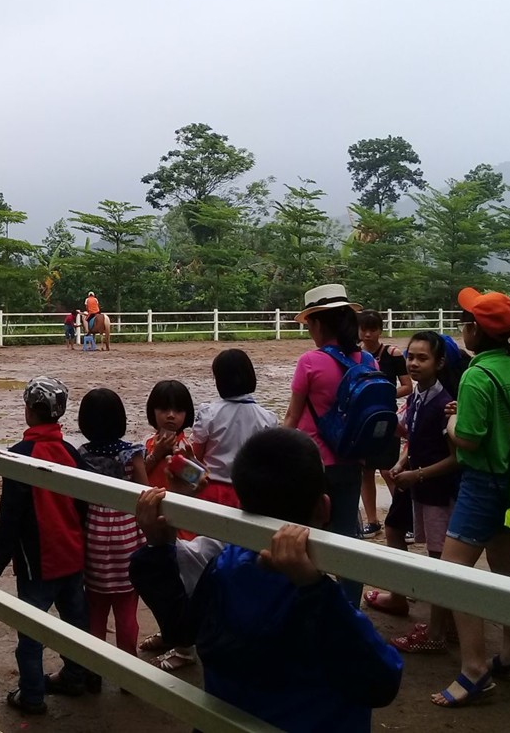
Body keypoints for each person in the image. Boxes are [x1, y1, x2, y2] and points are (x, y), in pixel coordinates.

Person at [130, 427, 403, 732]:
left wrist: (158, 548)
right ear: (324, 508)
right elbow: (383, 681)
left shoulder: (222, 570)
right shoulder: (321, 601)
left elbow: (181, 630)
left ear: (241, 507)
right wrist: (315, 589)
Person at [430, 287, 510, 708]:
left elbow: (469, 440)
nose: (462, 328)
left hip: (481, 484)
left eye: (466, 322)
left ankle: (474, 669)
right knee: (507, 570)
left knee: (454, 572)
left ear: (474, 330)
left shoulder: (476, 375)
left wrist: (452, 422)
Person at [0, 377, 89, 715]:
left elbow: (10, 512)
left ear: (29, 410)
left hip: (37, 560)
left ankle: (31, 695)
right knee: (75, 622)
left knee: (30, 631)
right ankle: (76, 675)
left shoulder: (19, 455)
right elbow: (85, 504)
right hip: (72, 554)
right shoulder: (71, 452)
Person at [364, 331, 460, 651]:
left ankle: (437, 633)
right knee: (406, 535)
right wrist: (401, 462)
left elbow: (455, 459)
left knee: (438, 557)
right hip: (419, 483)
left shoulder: (445, 405)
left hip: (437, 491)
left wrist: (416, 474)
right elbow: (415, 439)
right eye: (411, 357)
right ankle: (430, 616)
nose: (414, 364)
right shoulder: (418, 396)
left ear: (440, 363)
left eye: (423, 358)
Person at [281, 283, 374, 609]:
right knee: (348, 536)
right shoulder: (367, 360)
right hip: (352, 461)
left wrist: (276, 455)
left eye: (309, 324)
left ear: (319, 323)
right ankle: (349, 608)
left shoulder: (310, 361)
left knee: (305, 534)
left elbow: (292, 417)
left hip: (312, 464)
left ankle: (311, 603)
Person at [76, 388, 148, 686]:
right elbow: (146, 493)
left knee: (95, 609)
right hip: (127, 537)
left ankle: (93, 671)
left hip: (94, 536)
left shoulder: (81, 456)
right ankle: (128, 674)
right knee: (127, 609)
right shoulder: (132, 454)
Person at [139, 379, 199, 670]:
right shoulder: (149, 444)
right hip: (156, 524)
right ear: (153, 412)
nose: (171, 416)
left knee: (178, 587)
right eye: (164, 409)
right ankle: (170, 633)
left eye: (178, 410)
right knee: (161, 586)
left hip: (181, 528)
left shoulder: (186, 446)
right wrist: (156, 455)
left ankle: (185, 648)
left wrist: (184, 462)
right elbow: (139, 476)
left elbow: (198, 483)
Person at [191, 348, 278, 508]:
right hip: (249, 494)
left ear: (219, 380)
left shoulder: (209, 414)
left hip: (209, 490)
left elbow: (196, 457)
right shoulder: (267, 419)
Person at [357, 310, 412, 536]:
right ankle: (372, 521)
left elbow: (407, 386)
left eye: (373, 329)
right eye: (364, 329)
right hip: (362, 421)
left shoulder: (392, 354)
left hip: (386, 419)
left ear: (380, 330)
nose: (368, 334)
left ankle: (404, 520)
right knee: (365, 471)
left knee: (389, 470)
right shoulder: (355, 355)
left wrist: (383, 396)